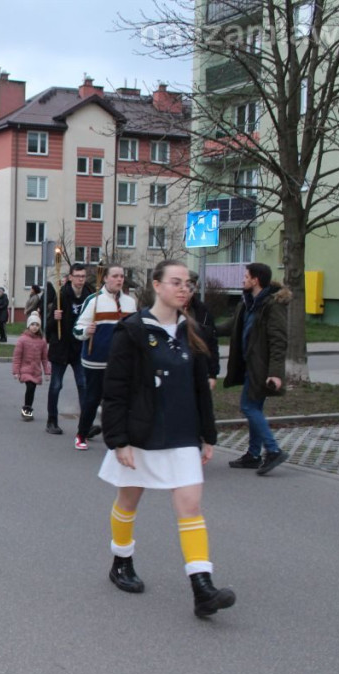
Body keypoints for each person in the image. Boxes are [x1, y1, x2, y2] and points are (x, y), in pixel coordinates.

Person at [99, 259, 234, 618]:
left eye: (188, 283)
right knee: (128, 500)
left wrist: (207, 434)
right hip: (140, 432)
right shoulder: (132, 330)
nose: (183, 288)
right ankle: (121, 561)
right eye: (176, 282)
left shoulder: (193, 331)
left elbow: (200, 389)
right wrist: (119, 440)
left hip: (182, 433)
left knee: (190, 506)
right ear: (156, 285)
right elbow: (115, 389)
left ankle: (202, 586)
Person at [221, 262, 291, 475]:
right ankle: (253, 455)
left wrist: (276, 373)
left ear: (256, 280)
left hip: (261, 368)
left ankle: (273, 450)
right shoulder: (248, 303)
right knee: (254, 409)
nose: (243, 279)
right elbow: (232, 326)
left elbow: (279, 341)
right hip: (249, 365)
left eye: (246, 276)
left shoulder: (271, 305)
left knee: (249, 407)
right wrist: (202, 329)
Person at [73, 265, 136, 450]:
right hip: (96, 360)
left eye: (122, 276)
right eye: (115, 276)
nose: (119, 279)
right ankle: (81, 434)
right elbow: (76, 329)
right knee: (92, 399)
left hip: (122, 361)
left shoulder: (130, 303)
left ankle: (119, 436)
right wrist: (86, 330)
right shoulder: (93, 301)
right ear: (106, 278)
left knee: (121, 399)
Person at [45, 263, 93, 435]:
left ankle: (85, 425)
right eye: (77, 276)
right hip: (61, 347)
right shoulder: (61, 295)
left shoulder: (90, 296)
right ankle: (52, 421)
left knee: (83, 384)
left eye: (83, 276)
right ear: (71, 277)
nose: (81, 279)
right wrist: (54, 318)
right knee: (56, 385)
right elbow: (48, 327)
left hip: (80, 347)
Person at [12, 312, 50, 421]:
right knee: (30, 387)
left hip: (36, 371)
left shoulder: (42, 341)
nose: (35, 327)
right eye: (32, 324)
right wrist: (16, 371)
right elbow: (17, 357)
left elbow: (45, 358)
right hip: (25, 370)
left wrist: (47, 372)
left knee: (32, 390)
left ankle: (28, 409)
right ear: (28, 325)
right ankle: (27, 410)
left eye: (37, 325)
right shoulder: (22, 339)